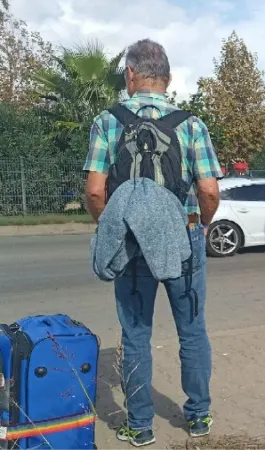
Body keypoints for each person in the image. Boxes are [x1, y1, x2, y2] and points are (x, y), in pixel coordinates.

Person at [83, 38, 223, 447]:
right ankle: (198, 417)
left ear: (130, 74)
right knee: (192, 331)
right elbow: (210, 191)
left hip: (131, 246)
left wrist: (111, 225)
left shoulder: (107, 121)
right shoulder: (191, 124)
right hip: (183, 240)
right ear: (167, 77)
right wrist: (201, 225)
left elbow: (94, 191)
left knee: (136, 335)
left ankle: (140, 426)